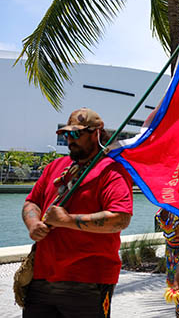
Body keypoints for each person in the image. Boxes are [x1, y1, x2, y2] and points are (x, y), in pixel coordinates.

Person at [21, 108, 134, 318]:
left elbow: (120, 218)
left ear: (96, 133)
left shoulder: (112, 171)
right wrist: (33, 223)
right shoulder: (55, 167)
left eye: (76, 134)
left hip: (88, 281)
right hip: (42, 279)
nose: (69, 140)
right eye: (66, 134)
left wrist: (67, 220)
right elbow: (31, 202)